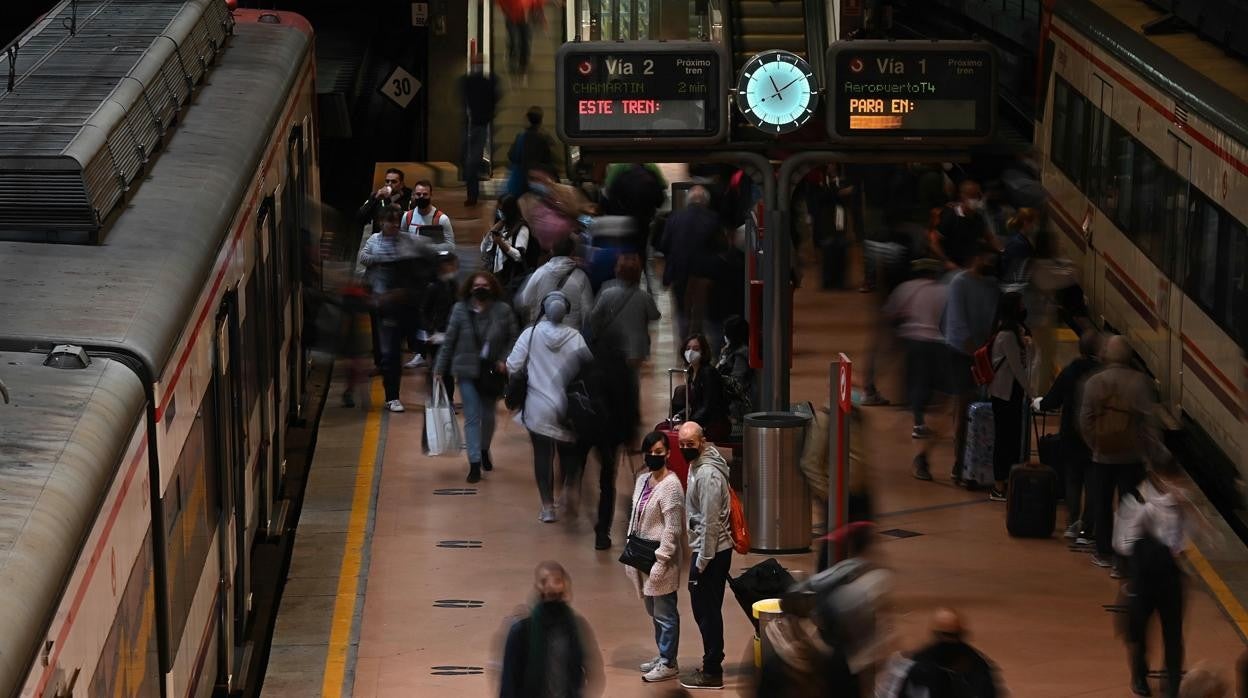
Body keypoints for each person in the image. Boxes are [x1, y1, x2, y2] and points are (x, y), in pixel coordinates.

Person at [1115, 462, 1212, 697]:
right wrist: (1150, 541)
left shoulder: (1183, 505)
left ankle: (1173, 682)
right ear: (1159, 477)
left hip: (1171, 577)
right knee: (1139, 630)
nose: (1179, 485)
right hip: (1144, 576)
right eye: (1174, 479)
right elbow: (1122, 542)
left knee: (1173, 634)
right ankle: (1139, 674)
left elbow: (1196, 537)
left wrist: (1189, 513)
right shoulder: (1139, 500)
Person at [585, 254, 661, 549]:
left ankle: (599, 523)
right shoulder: (642, 296)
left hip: (599, 426)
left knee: (604, 473)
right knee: (631, 387)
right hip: (635, 352)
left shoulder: (606, 292)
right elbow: (655, 315)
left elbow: (593, 318)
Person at [1080, 334, 1171, 574]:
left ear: (1107, 355)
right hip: (1132, 457)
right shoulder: (1140, 383)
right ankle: (1123, 561)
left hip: (1102, 457)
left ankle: (1103, 553)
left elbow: (1085, 422)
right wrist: (1151, 455)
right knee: (1128, 509)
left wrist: (1096, 444)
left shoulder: (1094, 382)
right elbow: (1150, 424)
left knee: (1101, 505)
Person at [506, 291, 592, 522]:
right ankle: (567, 489)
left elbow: (513, 364)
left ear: (543, 310)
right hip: (568, 407)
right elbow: (588, 368)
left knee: (542, 455)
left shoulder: (530, 334)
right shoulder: (575, 337)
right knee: (567, 453)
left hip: (537, 406)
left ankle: (547, 507)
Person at [435, 271, 518, 483]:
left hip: (491, 371)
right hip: (466, 370)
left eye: (485, 285)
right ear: (470, 288)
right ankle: (473, 464)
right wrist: (439, 369)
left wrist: (504, 359)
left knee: (488, 416)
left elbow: (513, 338)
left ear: (493, 288)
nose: (480, 289)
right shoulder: (459, 310)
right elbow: (449, 340)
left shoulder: (503, 311)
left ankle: (483, 449)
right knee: (472, 416)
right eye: (476, 285)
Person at [624, 432, 687, 684]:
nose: (653, 456)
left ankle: (669, 662)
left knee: (665, 612)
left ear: (668, 454)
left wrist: (662, 560)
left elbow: (673, 528)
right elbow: (634, 515)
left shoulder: (672, 486)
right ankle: (663, 654)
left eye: (659, 452)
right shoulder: (642, 480)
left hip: (662, 559)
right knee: (653, 610)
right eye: (650, 452)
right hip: (642, 557)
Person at [678, 421, 734, 690]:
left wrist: (702, 560)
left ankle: (713, 670)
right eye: (682, 445)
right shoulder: (697, 466)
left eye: (690, 444)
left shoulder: (707, 475)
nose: (686, 449)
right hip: (706, 549)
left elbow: (711, 521)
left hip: (711, 552)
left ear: (702, 442)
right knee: (704, 608)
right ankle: (711, 662)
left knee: (707, 610)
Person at [358, 204, 430, 412]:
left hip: (411, 306)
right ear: (382, 222)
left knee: (427, 345)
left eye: (396, 222)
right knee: (391, 355)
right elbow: (363, 261)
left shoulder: (409, 243)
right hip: (387, 308)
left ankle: (434, 393)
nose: (394, 226)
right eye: (390, 222)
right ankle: (392, 396)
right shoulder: (375, 242)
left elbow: (428, 256)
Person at [1033, 330, 1102, 542]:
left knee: (1073, 479)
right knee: (1092, 483)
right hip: (1095, 437)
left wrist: (1039, 403)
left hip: (1071, 435)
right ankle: (1087, 528)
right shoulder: (1102, 372)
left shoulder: (1070, 370)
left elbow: (1053, 400)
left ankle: (1072, 522)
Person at [499, 561, 604, 698]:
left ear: (565, 585)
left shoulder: (575, 627)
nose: (551, 585)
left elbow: (592, 669)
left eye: (557, 580)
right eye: (545, 581)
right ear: (538, 587)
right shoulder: (521, 631)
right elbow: (508, 683)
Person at [942, 244, 1001, 483]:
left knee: (983, 410)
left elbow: (994, 321)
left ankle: (979, 465)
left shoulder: (992, 286)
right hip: (962, 354)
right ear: (976, 257)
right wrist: (977, 355)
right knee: (964, 406)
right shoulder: (959, 283)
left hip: (983, 353)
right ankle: (960, 464)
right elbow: (957, 325)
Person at [882, 259, 949, 458]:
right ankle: (931, 418)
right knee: (934, 383)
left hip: (912, 340)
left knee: (916, 381)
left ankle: (918, 421)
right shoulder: (944, 291)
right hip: (938, 342)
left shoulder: (905, 288)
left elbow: (890, 313)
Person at [657, 185, 721, 350]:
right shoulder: (713, 218)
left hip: (678, 270)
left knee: (681, 309)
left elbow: (664, 245)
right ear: (706, 202)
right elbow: (722, 246)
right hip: (704, 272)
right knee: (700, 309)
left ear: (688, 201)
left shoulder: (675, 217)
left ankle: (684, 343)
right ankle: (698, 344)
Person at [889, 608, 1003, 697]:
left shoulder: (978, 666)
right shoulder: (919, 665)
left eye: (952, 636)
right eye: (946, 636)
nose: (949, 641)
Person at [987, 291, 1032, 501]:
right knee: (1004, 439)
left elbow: (1025, 362)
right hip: (1003, 394)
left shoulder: (1017, 332)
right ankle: (999, 485)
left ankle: (1010, 482)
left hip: (1013, 392)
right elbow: (1017, 367)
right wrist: (1033, 393)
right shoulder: (1006, 335)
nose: (1024, 307)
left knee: (1013, 439)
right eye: (1020, 304)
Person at [516, 236, 594, 329]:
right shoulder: (581, 277)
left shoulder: (540, 273)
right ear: (572, 252)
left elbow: (524, 301)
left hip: (543, 332)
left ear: (552, 251)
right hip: (570, 334)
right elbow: (587, 311)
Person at [671, 334, 731, 443]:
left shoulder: (708, 373)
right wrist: (680, 415)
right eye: (688, 348)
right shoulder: (691, 371)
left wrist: (688, 424)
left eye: (696, 349)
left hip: (714, 423)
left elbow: (708, 406)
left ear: (703, 352)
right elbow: (695, 404)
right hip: (701, 419)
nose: (691, 352)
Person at [459, 54, 500, 207]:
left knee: (471, 161)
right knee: (469, 160)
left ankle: (472, 195)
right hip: (476, 124)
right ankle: (472, 190)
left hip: (478, 125)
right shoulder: (485, 82)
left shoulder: (470, 81)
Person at [934, 179, 1000, 269]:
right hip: (954, 266)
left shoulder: (977, 218)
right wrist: (946, 261)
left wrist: (1003, 251)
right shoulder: (951, 216)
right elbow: (934, 242)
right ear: (962, 196)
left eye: (978, 196)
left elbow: (990, 237)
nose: (976, 200)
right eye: (972, 196)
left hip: (972, 264)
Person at [482, 195, 536, 296]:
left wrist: (501, 243)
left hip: (510, 276)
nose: (499, 212)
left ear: (509, 210)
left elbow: (519, 256)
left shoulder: (522, 228)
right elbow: (484, 248)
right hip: (498, 275)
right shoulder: (502, 225)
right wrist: (494, 229)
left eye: (501, 210)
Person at [507, 106, 556, 197]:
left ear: (528, 120)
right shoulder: (544, 138)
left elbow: (511, 156)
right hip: (539, 183)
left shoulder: (520, 137)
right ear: (540, 121)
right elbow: (548, 158)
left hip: (521, 183)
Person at [714, 315, 753, 422]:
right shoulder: (727, 350)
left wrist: (716, 377)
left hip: (735, 402)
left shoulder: (741, 354)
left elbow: (737, 381)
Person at [401, 180, 456, 254]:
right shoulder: (407, 216)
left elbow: (451, 246)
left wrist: (426, 247)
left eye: (425, 194)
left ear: (431, 195)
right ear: (414, 195)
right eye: (418, 194)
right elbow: (401, 241)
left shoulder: (442, 219)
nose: (421, 197)